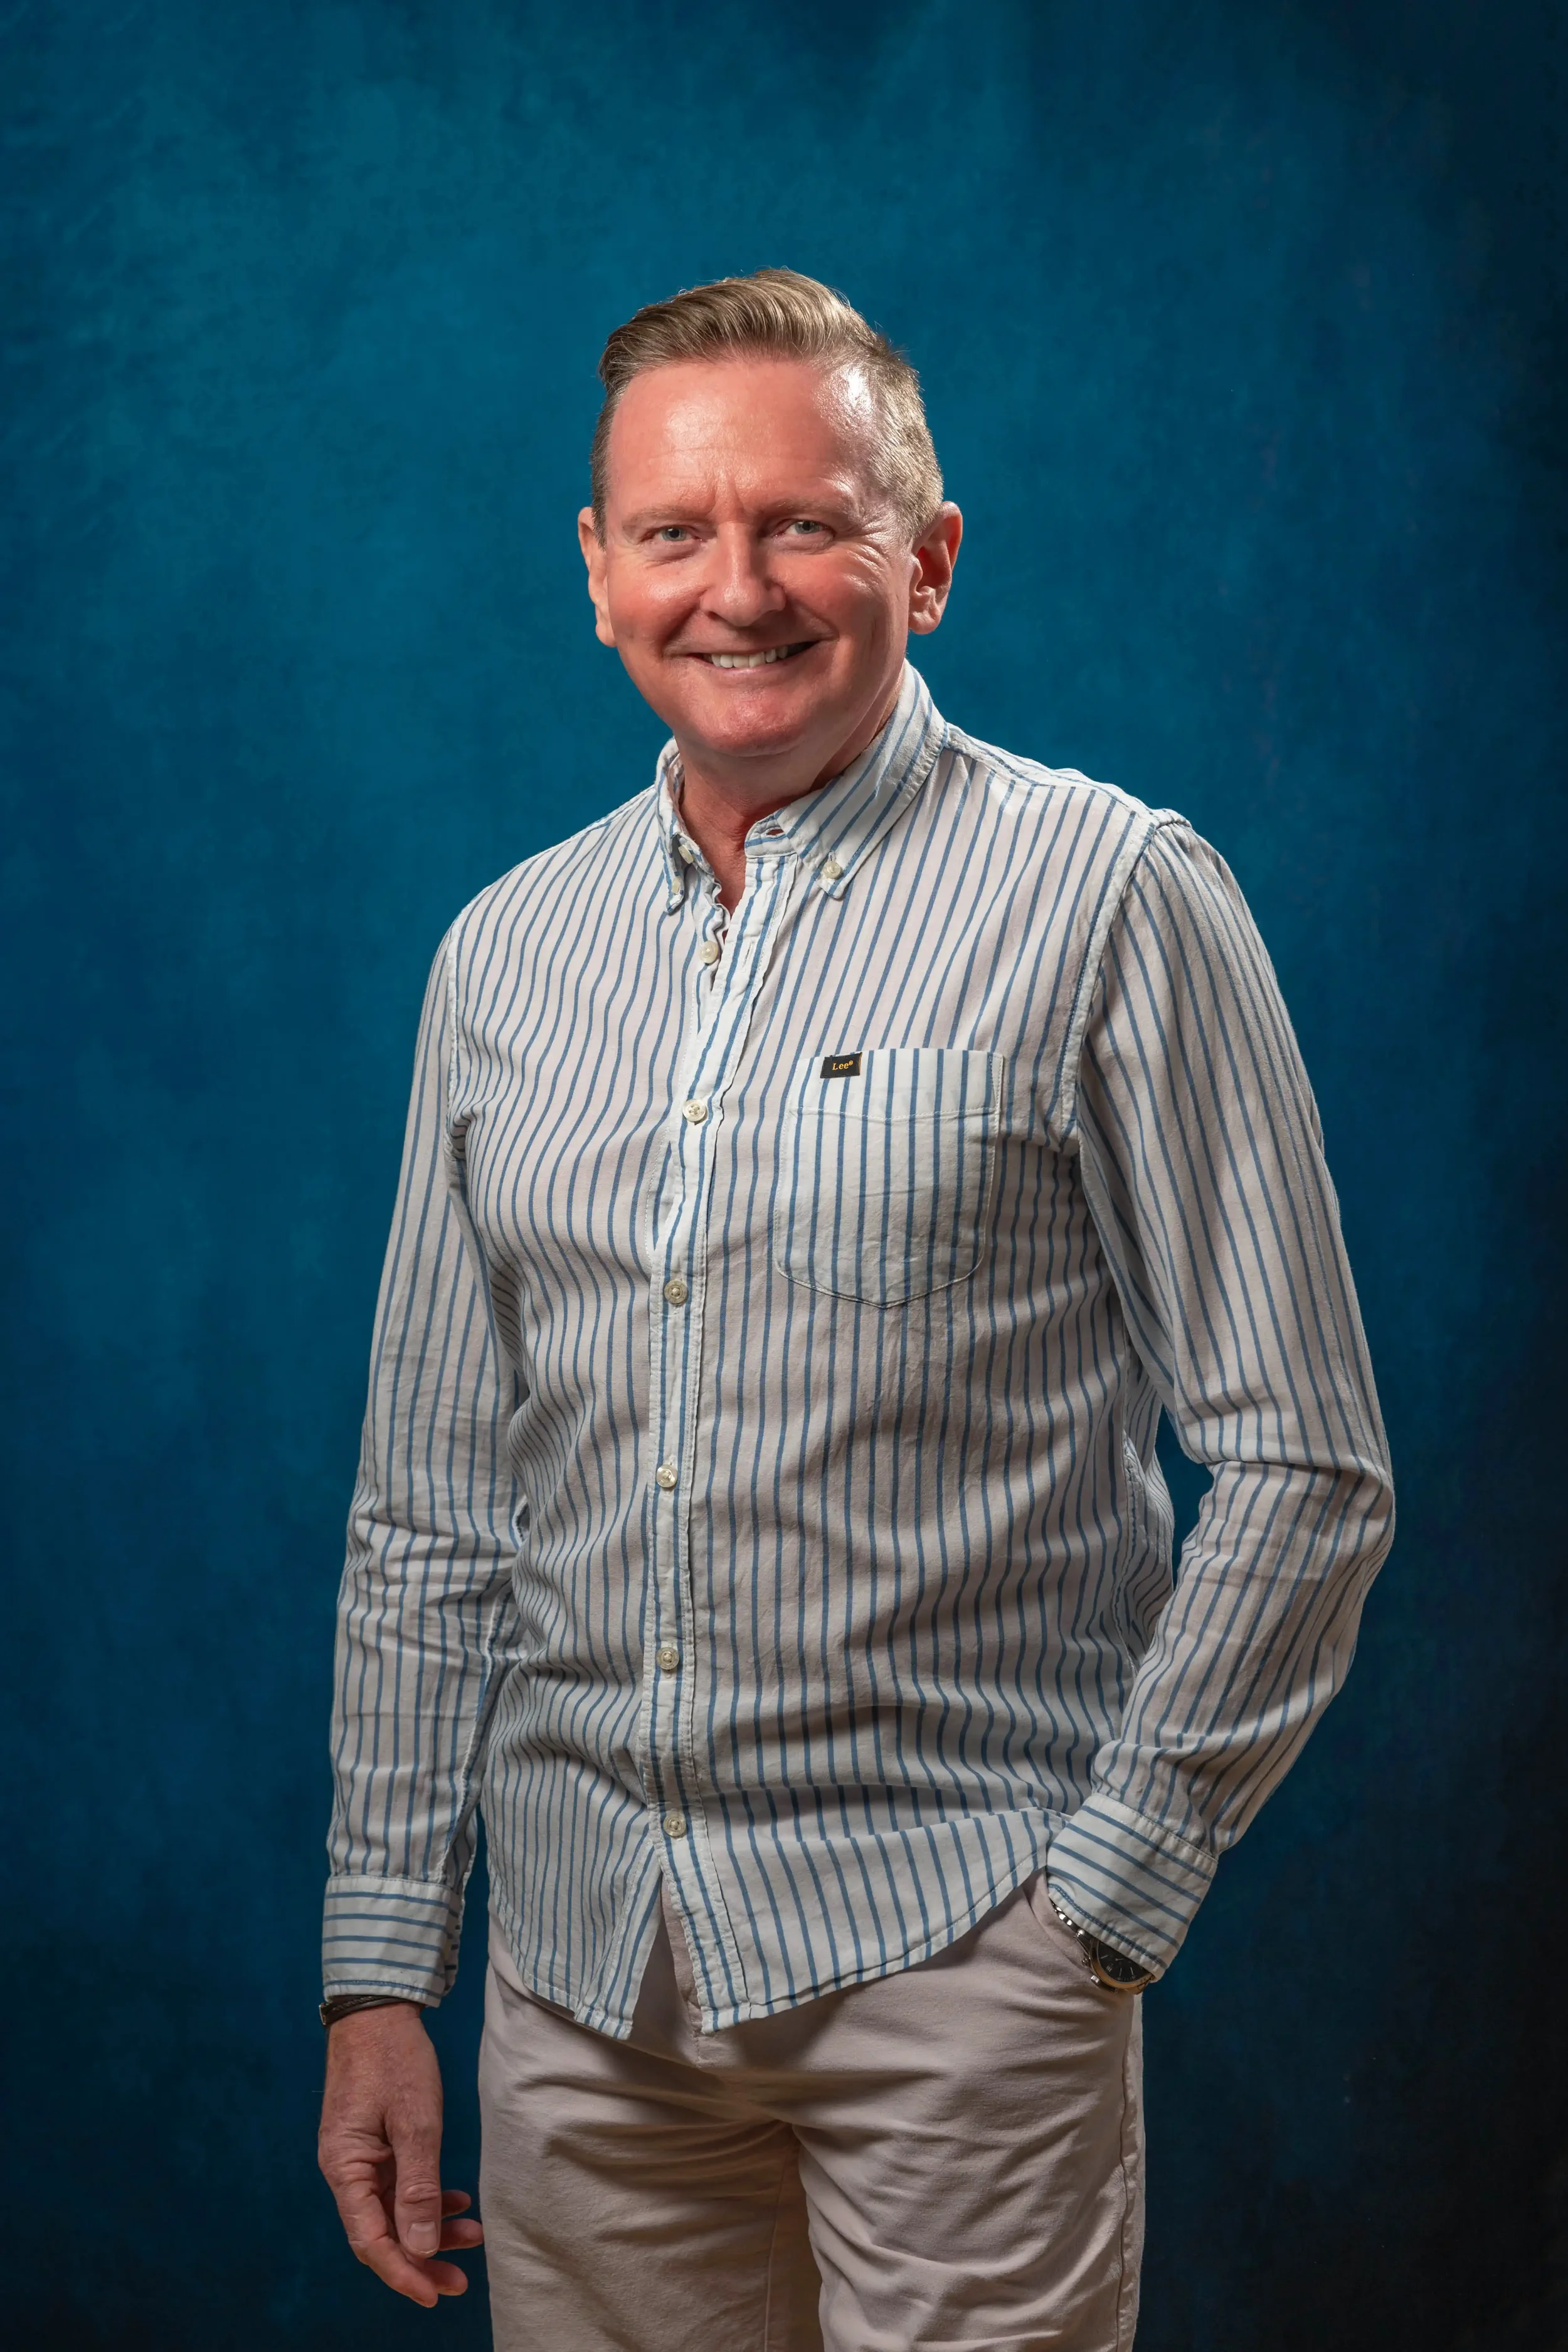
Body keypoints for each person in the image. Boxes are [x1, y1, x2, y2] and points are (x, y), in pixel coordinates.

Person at [316, 268, 1394, 2351]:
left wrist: (1097, 1905)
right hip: (577, 1999)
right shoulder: (502, 958)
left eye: (805, 520)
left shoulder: (1108, 895)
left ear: (928, 554)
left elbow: (1303, 1460)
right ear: (596, 570)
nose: (738, 586)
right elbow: (432, 1509)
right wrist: (384, 1964)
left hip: (960, 1967)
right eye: (674, 531)